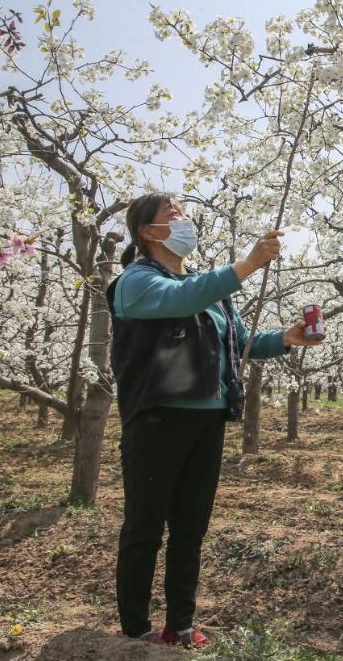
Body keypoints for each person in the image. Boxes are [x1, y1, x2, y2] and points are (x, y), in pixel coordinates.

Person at [106, 193, 323, 648]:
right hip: (158, 420)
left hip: (208, 421)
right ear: (148, 231)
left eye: (184, 212)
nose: (184, 220)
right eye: (173, 214)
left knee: (190, 528)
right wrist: (246, 265)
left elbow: (240, 344)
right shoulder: (136, 281)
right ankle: (135, 631)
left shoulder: (214, 294)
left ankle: (179, 625)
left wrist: (285, 338)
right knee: (145, 525)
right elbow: (182, 298)